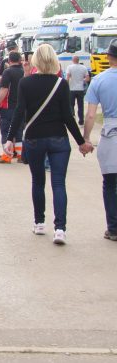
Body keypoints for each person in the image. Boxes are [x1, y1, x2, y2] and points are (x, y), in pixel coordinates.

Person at [5, 44, 92, 245]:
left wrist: (10, 138)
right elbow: (68, 116)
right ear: (54, 60)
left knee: (38, 181)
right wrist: (81, 142)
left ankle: (40, 223)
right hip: (58, 139)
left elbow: (19, 112)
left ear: (35, 60)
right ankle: (60, 229)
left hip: (35, 138)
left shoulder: (25, 84)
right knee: (59, 183)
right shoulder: (61, 84)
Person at [82, 39, 117, 242]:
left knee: (110, 183)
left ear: (109, 57)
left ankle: (113, 227)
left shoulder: (99, 80)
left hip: (111, 132)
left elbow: (90, 115)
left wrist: (86, 138)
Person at [0, 51, 24, 164]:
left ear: (9, 60)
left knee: (5, 130)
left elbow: (4, 89)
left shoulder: (7, 72)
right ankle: (20, 155)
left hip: (7, 106)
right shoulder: (23, 72)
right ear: (20, 60)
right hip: (20, 106)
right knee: (19, 130)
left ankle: (7, 155)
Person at [65, 56, 90, 126]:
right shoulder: (83, 67)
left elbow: (67, 78)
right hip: (80, 89)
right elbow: (87, 79)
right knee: (80, 106)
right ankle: (81, 121)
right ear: (78, 60)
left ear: (73, 60)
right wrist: (82, 81)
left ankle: (72, 117)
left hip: (71, 89)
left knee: (71, 105)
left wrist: (66, 85)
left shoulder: (69, 67)